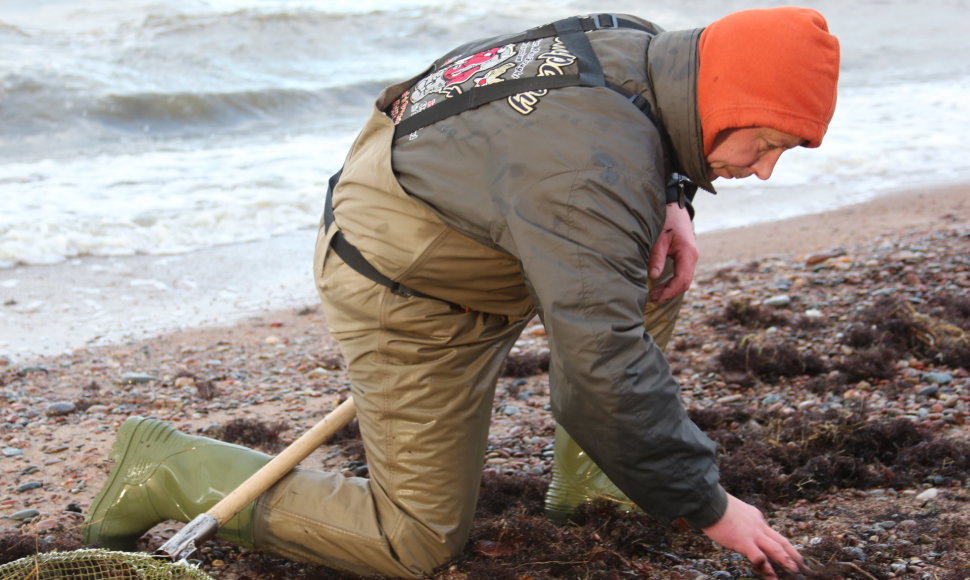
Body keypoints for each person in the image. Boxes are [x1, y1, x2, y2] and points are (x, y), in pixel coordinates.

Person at [83, 7, 839, 579]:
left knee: (644, 267)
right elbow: (600, 372)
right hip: (408, 289)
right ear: (723, 96)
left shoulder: (642, 49)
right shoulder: (591, 170)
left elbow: (633, 148)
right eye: (764, 143)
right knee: (413, 541)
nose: (765, 169)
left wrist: (674, 195)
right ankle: (167, 468)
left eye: (782, 150)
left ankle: (597, 489)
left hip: (487, 227)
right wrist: (709, 506)